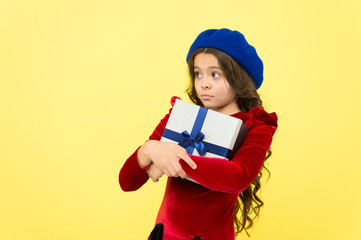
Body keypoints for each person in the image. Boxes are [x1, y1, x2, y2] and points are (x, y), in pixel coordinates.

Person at [119, 28, 278, 240]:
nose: (204, 83)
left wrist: (168, 159)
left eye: (215, 74)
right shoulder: (181, 116)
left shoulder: (256, 126)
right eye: (197, 73)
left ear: (239, 77)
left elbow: (237, 176)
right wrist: (149, 150)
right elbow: (127, 182)